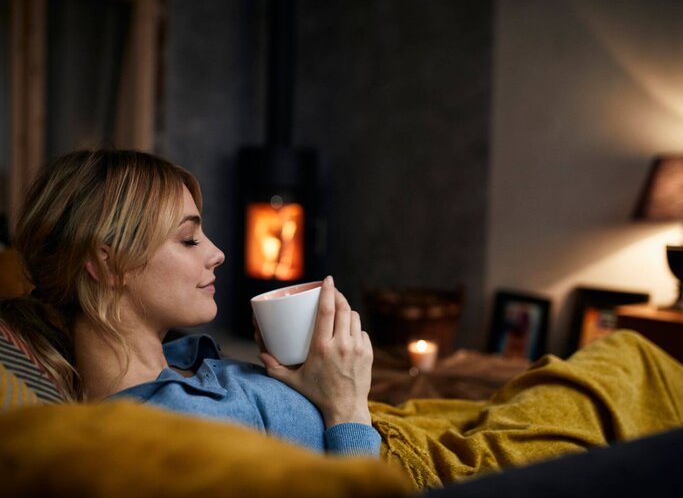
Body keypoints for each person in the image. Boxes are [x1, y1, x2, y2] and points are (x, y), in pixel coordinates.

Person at [1, 149, 682, 489]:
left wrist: (305, 387)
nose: (217, 253)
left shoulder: (175, 368)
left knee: (601, 365)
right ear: (105, 262)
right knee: (627, 362)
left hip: (401, 425)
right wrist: (348, 405)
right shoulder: (163, 435)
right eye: (187, 238)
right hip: (414, 468)